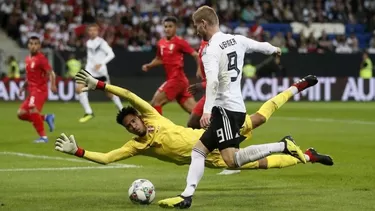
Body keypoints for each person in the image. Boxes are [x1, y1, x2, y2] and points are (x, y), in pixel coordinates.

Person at [158, 6, 313, 208]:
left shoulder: (210, 50)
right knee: (198, 152)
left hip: (225, 111)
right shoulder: (237, 39)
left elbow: (212, 83)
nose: (196, 31)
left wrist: (206, 111)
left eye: (197, 26)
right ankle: (186, 196)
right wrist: (275, 49)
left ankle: (283, 145)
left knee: (231, 161)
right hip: (235, 108)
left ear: (204, 24)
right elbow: (261, 45)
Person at [55, 69, 333, 172]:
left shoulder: (151, 114)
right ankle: (307, 156)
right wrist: (78, 152)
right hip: (209, 159)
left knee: (259, 118)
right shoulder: (137, 146)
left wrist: (100, 85)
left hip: (212, 134)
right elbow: (106, 158)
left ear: (139, 117)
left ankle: (297, 86)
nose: (132, 126)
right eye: (129, 126)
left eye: (133, 121)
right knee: (258, 164)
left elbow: (128, 93)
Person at [142, 16, 200, 115]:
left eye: (170, 26)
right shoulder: (161, 43)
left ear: (175, 27)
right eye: (165, 27)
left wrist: (199, 69)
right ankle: (215, 124)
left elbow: (195, 55)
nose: (167, 29)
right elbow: (160, 59)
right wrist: (149, 65)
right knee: (194, 112)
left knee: (156, 103)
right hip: (179, 81)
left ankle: (159, 129)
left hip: (177, 79)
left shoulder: (180, 42)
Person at [76, 23, 123, 123]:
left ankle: (122, 110)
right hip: (89, 71)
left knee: (110, 94)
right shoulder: (88, 42)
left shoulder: (102, 43)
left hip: (101, 72)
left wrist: (101, 63)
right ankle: (89, 112)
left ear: (98, 32)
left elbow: (111, 54)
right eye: (90, 30)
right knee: (79, 88)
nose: (92, 32)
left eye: (94, 30)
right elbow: (91, 57)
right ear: (88, 32)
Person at [17, 36, 56, 143]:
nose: (33, 46)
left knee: (32, 109)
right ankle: (46, 117)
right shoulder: (27, 59)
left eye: (35, 44)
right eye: (31, 43)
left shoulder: (41, 59)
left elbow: (51, 73)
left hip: (40, 90)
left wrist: (53, 85)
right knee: (21, 114)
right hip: (31, 91)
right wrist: (22, 87)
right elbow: (29, 76)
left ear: (39, 46)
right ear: (28, 45)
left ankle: (43, 137)